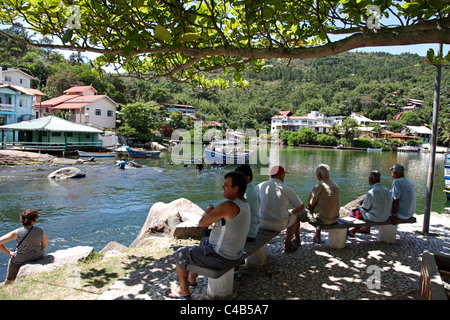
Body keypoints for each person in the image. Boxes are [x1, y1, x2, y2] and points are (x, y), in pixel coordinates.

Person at [168, 171, 250, 299]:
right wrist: (215, 213)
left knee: (180, 254)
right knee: (205, 240)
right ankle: (192, 277)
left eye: (226, 185)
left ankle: (183, 290)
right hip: (236, 254)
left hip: (222, 258)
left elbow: (202, 223)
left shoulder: (228, 205)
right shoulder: (244, 203)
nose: (223, 187)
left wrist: (208, 212)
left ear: (235, 189)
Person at [256, 165, 304, 252]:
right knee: (295, 218)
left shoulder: (260, 186)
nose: (284, 178)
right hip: (279, 225)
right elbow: (300, 207)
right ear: (280, 176)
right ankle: (288, 244)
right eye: (284, 175)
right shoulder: (286, 189)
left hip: (262, 223)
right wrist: (293, 211)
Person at [0, 209, 48, 285]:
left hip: (20, 259)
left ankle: (8, 288)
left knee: (9, 279)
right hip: (37, 256)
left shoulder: (17, 232)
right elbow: (45, 246)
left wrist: (9, 252)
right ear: (34, 220)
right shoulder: (40, 230)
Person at [347, 170, 392, 237]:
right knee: (372, 209)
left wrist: (359, 205)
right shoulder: (386, 189)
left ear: (371, 179)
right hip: (385, 216)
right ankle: (364, 229)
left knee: (351, 212)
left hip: (376, 218)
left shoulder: (371, 192)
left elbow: (365, 208)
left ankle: (348, 232)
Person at [306, 164, 341, 244]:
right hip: (335, 218)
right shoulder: (335, 185)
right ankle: (317, 236)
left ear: (318, 176)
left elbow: (309, 206)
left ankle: (296, 240)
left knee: (298, 214)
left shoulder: (318, 186)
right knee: (322, 208)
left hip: (322, 220)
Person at [235, 164, 261, 241]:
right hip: (248, 230)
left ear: (248, 177)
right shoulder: (247, 189)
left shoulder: (249, 192)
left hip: (248, 233)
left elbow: (236, 213)